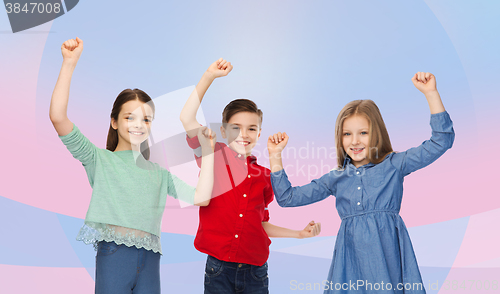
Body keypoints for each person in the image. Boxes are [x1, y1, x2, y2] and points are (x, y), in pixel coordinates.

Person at [49, 37, 216, 294]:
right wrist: (69, 63)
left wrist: (208, 151)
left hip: (150, 260)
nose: (139, 124)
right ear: (114, 121)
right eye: (130, 117)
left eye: (146, 119)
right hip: (115, 256)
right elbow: (58, 117)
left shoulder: (159, 174)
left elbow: (202, 197)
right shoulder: (99, 159)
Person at [267, 72, 455, 293]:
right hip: (351, 264)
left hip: (388, 259)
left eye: (363, 133)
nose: (354, 141)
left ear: (377, 133)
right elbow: (287, 198)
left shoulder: (394, 164)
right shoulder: (336, 178)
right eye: (347, 134)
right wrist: (275, 156)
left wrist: (431, 93)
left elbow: (441, 140)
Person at [180, 58, 322, 294]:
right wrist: (209, 76)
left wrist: (299, 234)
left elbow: (260, 224)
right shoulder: (213, 155)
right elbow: (186, 118)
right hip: (219, 268)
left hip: (256, 271)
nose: (244, 134)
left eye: (252, 128)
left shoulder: (265, 176)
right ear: (223, 131)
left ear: (259, 133)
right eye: (235, 127)